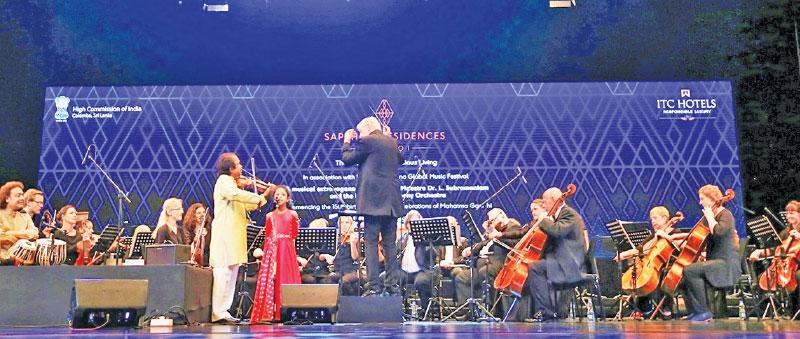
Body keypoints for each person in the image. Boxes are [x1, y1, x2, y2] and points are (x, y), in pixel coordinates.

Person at [341, 116, 405, 296]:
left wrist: (346, 141)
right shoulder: (391, 142)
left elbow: (347, 158)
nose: (359, 135)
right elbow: (401, 159)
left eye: (360, 132)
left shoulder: (367, 140)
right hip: (391, 202)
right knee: (390, 245)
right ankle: (393, 287)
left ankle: (374, 286)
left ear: (368, 129)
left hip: (372, 203)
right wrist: (389, 137)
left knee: (370, 243)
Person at [209, 153, 274, 324]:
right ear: (230, 168)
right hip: (225, 234)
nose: (241, 168)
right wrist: (258, 195)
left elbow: (249, 205)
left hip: (234, 235)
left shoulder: (233, 185)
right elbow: (236, 195)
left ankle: (225, 311)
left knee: (231, 274)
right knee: (223, 274)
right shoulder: (224, 182)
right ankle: (218, 312)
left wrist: (265, 195)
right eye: (238, 164)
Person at [615, 206, 687, 319]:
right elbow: (640, 249)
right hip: (653, 264)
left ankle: (666, 306)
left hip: (670, 266)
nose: (652, 221)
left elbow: (681, 247)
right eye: (651, 219)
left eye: (655, 218)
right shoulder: (653, 236)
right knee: (642, 276)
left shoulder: (674, 232)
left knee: (662, 274)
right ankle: (642, 308)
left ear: (665, 219)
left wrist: (666, 236)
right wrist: (624, 254)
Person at [527, 187, 587, 322]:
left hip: (570, 264)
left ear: (554, 200)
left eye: (544, 201)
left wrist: (543, 220)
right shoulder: (558, 215)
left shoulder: (569, 214)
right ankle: (549, 310)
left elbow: (558, 231)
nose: (543, 204)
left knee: (535, 268)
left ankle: (546, 311)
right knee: (536, 265)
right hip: (561, 261)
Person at [681, 185, 740, 321]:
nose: (700, 202)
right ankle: (694, 311)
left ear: (712, 199)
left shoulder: (725, 214)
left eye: (702, 199)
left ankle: (703, 312)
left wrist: (709, 216)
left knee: (690, 270)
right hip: (716, 262)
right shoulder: (713, 217)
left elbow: (719, 232)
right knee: (683, 276)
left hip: (726, 264)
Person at [250, 185, 302, 323]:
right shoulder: (269, 216)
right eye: (277, 194)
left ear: (288, 198)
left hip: (287, 250)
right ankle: (272, 312)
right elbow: (268, 236)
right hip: (273, 251)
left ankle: (288, 312)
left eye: (282, 195)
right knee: (273, 279)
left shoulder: (293, 214)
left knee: (286, 278)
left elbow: (294, 234)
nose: (278, 197)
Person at [0, 181, 38, 265]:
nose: (22, 198)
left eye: (22, 195)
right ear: (7, 198)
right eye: (18, 195)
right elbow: (3, 237)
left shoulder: (24, 216)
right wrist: (23, 238)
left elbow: (35, 233)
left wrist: (10, 233)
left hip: (23, 263)